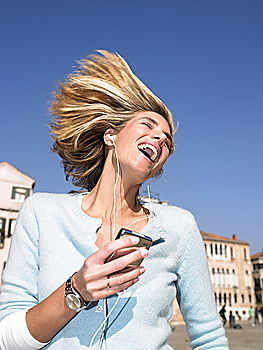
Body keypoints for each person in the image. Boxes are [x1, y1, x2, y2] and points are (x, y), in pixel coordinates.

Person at [0, 50, 229, 349]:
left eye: (167, 141)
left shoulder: (180, 227)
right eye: (148, 126)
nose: (161, 139)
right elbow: (7, 338)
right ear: (111, 136)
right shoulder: (42, 212)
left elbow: (208, 337)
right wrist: (76, 290)